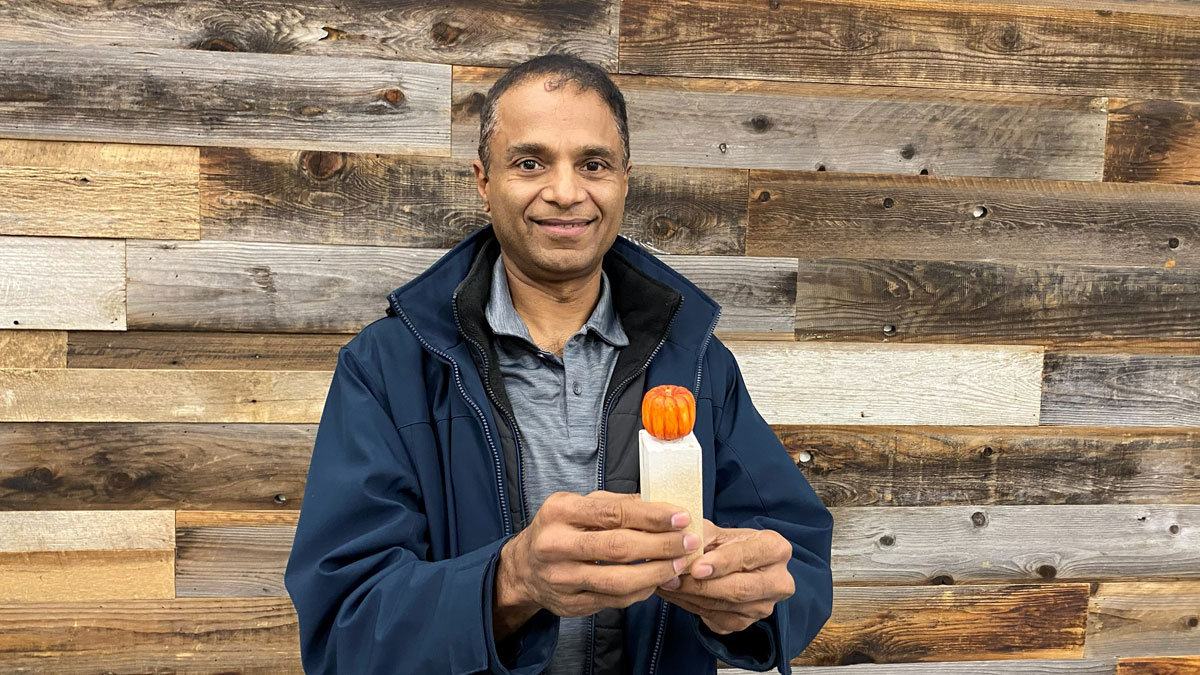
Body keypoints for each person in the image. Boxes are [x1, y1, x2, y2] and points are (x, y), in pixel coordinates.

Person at [284, 53, 833, 674]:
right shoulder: (387, 368)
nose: (566, 192)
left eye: (593, 164)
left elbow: (801, 563)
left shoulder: (698, 363)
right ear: (483, 181)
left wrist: (754, 599)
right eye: (529, 162)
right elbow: (343, 630)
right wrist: (508, 583)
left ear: (625, 180)